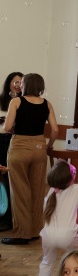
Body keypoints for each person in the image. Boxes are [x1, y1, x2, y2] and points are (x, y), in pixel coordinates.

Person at [2, 73, 58, 246]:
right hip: (40, 147)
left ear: (25, 85)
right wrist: (49, 146)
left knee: (20, 191)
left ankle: (22, 234)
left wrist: (10, 126)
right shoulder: (47, 104)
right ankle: (34, 231)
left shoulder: (16, 102)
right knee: (37, 190)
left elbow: (7, 127)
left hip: (19, 147)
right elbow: (55, 130)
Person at [0, 71, 23, 232]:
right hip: (0, 139)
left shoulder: (24, 102)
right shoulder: (2, 100)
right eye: (15, 81)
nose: (17, 84)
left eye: (21, 82)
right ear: (8, 83)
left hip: (13, 142)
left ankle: (9, 218)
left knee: (10, 179)